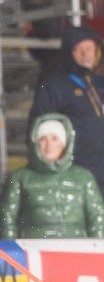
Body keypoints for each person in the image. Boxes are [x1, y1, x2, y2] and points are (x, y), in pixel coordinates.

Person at [0, 114, 104, 240]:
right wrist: (13, 253)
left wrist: (97, 251)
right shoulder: (19, 177)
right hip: (35, 252)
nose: (49, 145)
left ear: (65, 144)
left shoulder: (84, 177)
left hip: (77, 251)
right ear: (35, 143)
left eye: (55, 139)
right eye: (43, 139)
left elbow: (98, 219)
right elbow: (7, 220)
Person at [29, 26, 104, 190]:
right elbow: (38, 125)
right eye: (79, 49)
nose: (85, 54)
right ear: (68, 53)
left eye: (89, 48)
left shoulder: (99, 83)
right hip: (73, 170)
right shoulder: (54, 85)